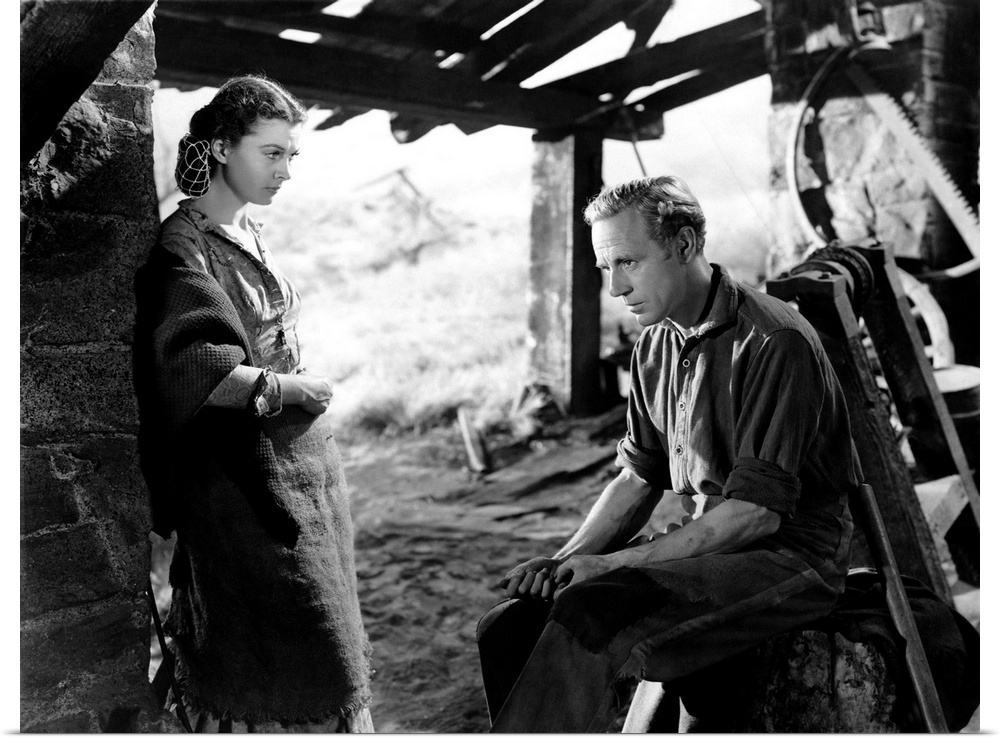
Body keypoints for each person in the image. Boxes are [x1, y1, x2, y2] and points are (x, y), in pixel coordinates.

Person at [475, 175, 863, 732]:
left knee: (590, 616)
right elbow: (638, 478)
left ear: (683, 245)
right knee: (510, 624)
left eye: (628, 262)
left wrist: (610, 565)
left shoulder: (775, 341)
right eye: (605, 268)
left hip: (791, 559)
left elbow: (756, 514)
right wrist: (563, 562)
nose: (615, 287)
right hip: (709, 544)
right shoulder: (655, 343)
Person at [132, 75, 374, 732]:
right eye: (272, 153)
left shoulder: (245, 230)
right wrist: (290, 388)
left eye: (291, 155)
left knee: (328, 632)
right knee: (275, 647)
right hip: (241, 486)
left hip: (302, 476)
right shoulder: (184, 247)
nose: (285, 171)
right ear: (219, 148)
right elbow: (192, 370)